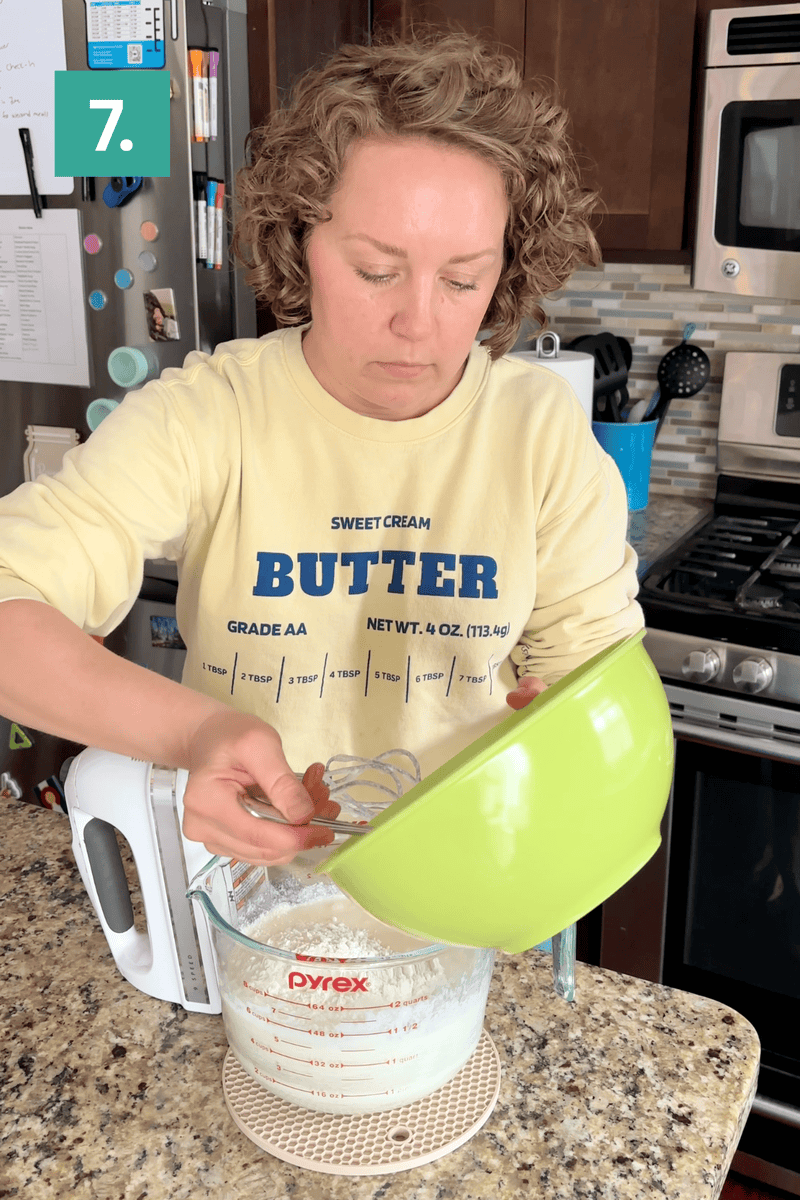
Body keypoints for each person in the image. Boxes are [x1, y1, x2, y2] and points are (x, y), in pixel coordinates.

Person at [0, 29, 642, 868]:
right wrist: (199, 734)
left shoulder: (538, 436)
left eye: (462, 278)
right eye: (377, 270)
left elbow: (602, 698)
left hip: (464, 891)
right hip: (247, 892)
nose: (420, 321)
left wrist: (568, 728)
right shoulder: (213, 414)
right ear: (300, 237)